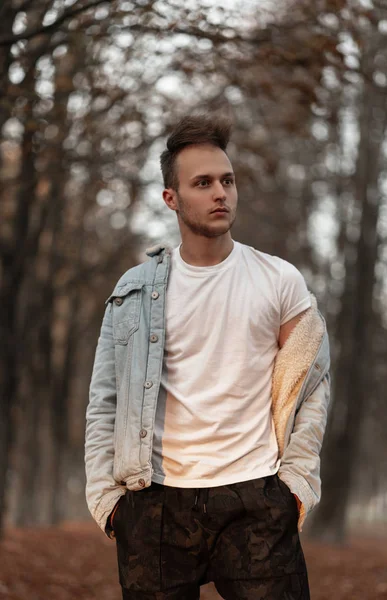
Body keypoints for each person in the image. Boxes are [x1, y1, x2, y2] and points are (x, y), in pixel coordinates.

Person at [84, 114, 330, 600]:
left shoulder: (280, 281)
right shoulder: (133, 291)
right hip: (154, 502)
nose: (221, 193)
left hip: (256, 496)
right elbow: (104, 401)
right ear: (171, 199)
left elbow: (313, 386)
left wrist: (295, 487)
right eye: (203, 183)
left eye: (227, 180)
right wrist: (107, 501)